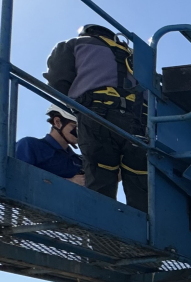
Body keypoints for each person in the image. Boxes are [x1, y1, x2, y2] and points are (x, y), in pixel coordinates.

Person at [44, 24, 147, 212]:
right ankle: (142, 237)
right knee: (139, 182)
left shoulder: (74, 44)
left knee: (99, 180)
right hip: (139, 125)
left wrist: (78, 105)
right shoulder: (135, 57)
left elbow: (57, 83)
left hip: (97, 118)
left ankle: (100, 239)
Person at [15, 104, 84, 184]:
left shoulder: (78, 161)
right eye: (75, 126)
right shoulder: (30, 146)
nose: (81, 133)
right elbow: (18, 178)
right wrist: (71, 182)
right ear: (57, 122)